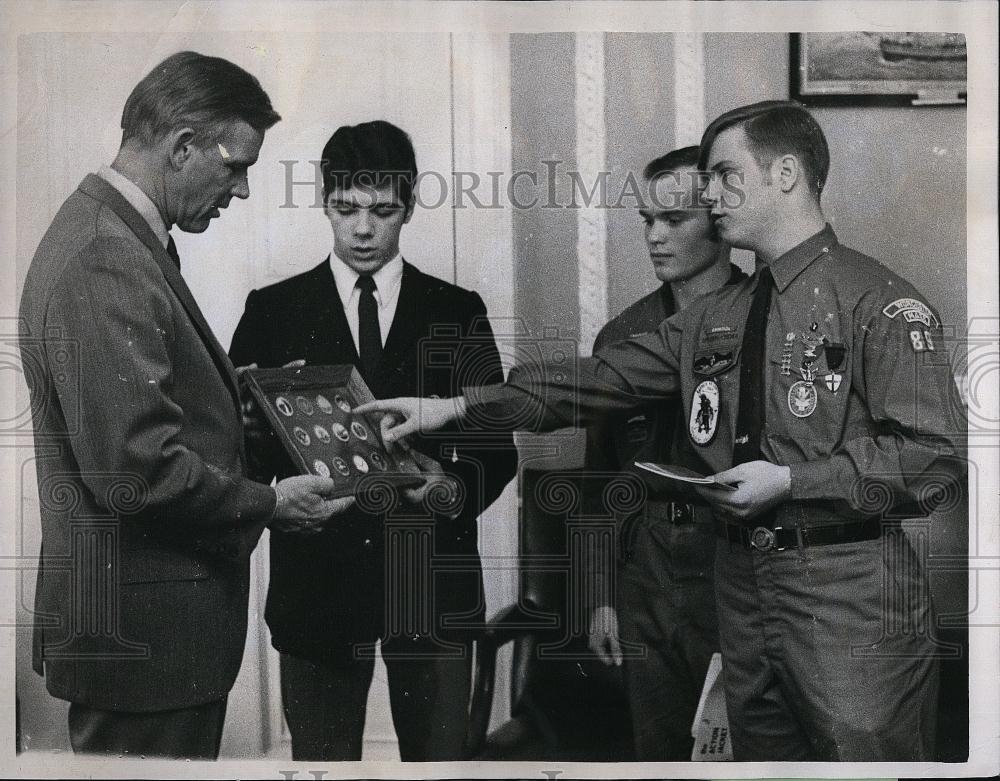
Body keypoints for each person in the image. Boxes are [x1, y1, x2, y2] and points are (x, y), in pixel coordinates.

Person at [359, 101, 966, 761]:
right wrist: (452, 407)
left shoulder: (878, 301)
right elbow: (599, 378)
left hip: (848, 592)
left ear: (786, 174)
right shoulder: (719, 315)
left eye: (725, 175)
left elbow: (933, 460)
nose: (711, 194)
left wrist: (792, 481)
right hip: (742, 592)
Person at [18, 52, 354, 759]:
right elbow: (136, 467)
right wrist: (271, 502)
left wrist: (237, 393)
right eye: (236, 167)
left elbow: (134, 407)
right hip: (145, 644)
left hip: (146, 636)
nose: (242, 189)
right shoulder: (105, 257)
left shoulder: (114, 238)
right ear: (182, 146)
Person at [229, 120, 518, 761]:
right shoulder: (271, 310)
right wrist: (257, 433)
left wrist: (446, 488)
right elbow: (243, 458)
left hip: (433, 584)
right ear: (324, 202)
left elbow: (497, 451)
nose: (363, 229)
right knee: (322, 770)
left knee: (439, 772)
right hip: (318, 590)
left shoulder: (458, 310)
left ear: (409, 207)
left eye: (383, 211)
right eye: (346, 209)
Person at [583, 146, 743, 760]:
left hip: (733, 559)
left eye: (674, 220)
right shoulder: (623, 336)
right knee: (659, 749)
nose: (654, 236)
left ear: (720, 220)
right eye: (647, 220)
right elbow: (600, 478)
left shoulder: (765, 319)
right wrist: (602, 597)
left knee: (742, 745)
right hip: (646, 568)